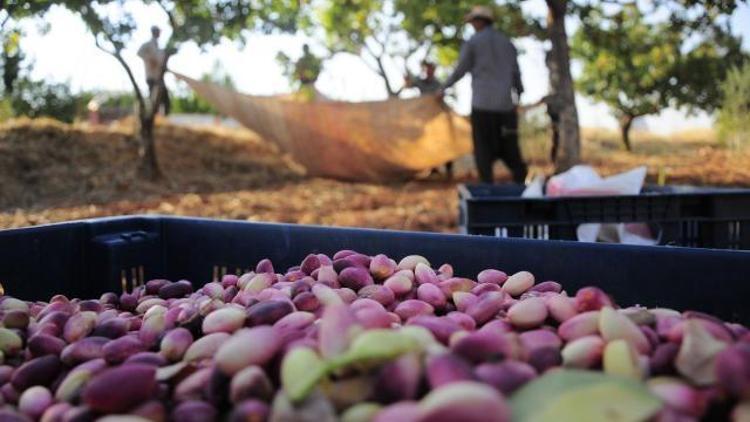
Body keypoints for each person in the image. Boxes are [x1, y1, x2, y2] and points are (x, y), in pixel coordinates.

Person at [438, 5, 527, 184]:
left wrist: (443, 88)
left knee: (483, 151)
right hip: (505, 107)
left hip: (482, 106)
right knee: (511, 148)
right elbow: (516, 73)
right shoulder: (507, 43)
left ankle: (487, 187)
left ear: (479, 22)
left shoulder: (473, 42)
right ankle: (520, 185)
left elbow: (460, 69)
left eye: (473, 22)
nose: (472, 25)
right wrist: (518, 94)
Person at [405, 60, 454, 178]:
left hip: (437, 120)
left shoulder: (438, 84)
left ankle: (448, 171)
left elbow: (442, 96)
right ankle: (432, 168)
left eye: (431, 69)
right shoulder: (420, 82)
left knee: (444, 143)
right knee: (427, 144)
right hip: (424, 120)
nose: (429, 71)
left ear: (434, 70)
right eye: (427, 69)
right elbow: (408, 85)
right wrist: (407, 78)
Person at [137, 26, 170, 115]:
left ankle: (161, 117)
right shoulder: (148, 45)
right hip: (151, 76)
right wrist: (150, 59)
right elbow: (139, 52)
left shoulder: (159, 49)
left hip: (158, 76)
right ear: (154, 32)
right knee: (153, 98)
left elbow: (161, 62)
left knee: (164, 98)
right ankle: (151, 115)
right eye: (157, 32)